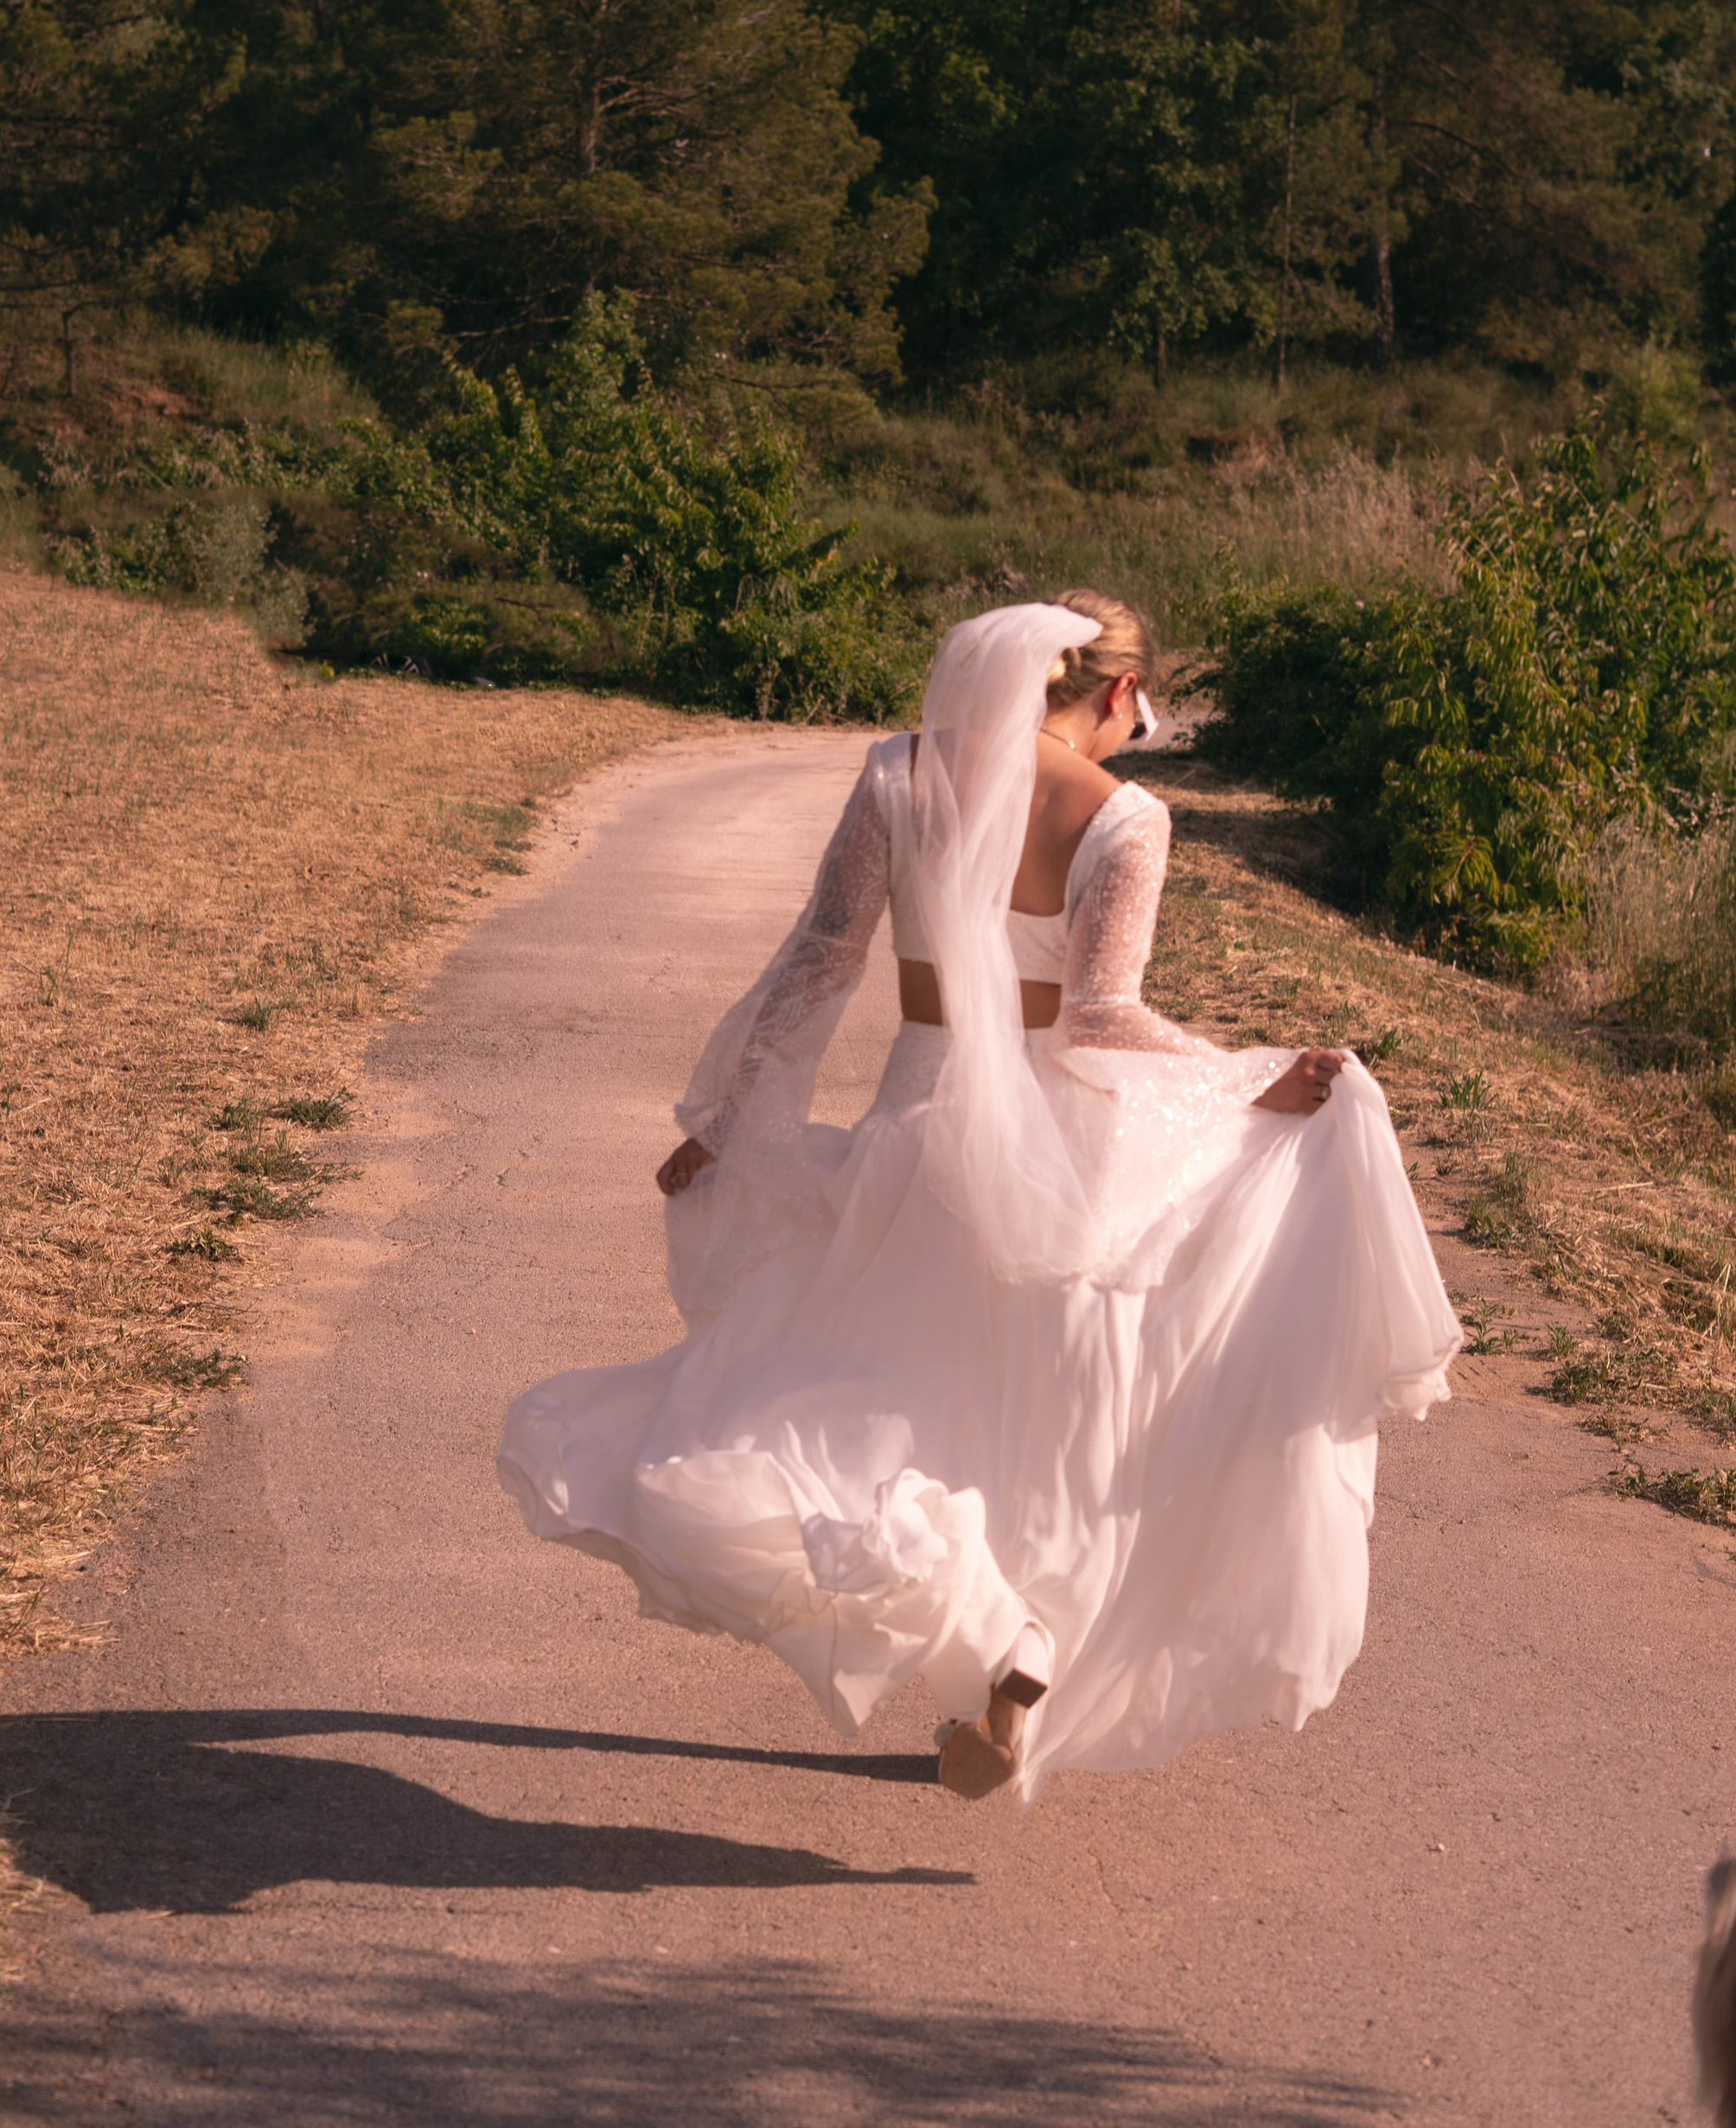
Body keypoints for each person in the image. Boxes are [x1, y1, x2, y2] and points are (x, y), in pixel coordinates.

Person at [500, 593, 1460, 1804]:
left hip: (916, 1134)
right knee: (1047, 1435)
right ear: (1114, 694)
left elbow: (822, 957)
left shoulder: (899, 775)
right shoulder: (1124, 817)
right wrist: (1248, 1079)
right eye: (1138, 712)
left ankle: (1003, 1645)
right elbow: (1103, 1020)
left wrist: (734, 1122)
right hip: (1061, 1162)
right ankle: (1023, 1657)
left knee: (881, 1405)